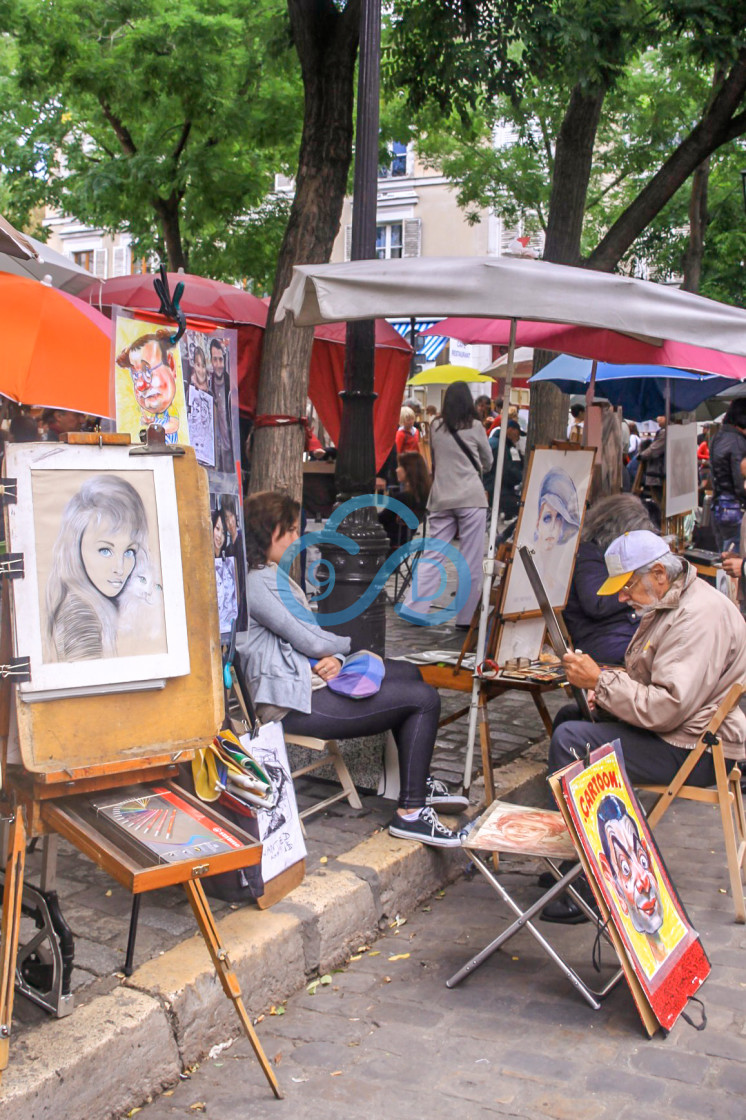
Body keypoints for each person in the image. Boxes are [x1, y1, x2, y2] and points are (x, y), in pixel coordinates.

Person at [241, 491, 468, 847]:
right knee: (423, 699)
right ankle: (410, 813)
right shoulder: (258, 582)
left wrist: (336, 658)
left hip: (303, 680)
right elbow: (311, 639)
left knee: (410, 674)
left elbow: (307, 638)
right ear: (269, 532)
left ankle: (414, 781)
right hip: (288, 702)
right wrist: (345, 650)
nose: (297, 539)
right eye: (290, 530)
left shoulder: (269, 572)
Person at [402, 381, 492, 629]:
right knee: (471, 560)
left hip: (441, 498)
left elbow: (436, 458)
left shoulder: (436, 426)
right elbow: (488, 460)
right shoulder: (476, 427)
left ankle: (415, 607)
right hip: (471, 499)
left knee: (433, 554)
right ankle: (465, 618)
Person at [45, 476, 151, 662]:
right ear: (75, 547)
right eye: (105, 550)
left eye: (129, 552)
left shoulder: (99, 604)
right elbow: (90, 687)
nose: (120, 568)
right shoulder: (80, 615)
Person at [563, 495, 654, 664]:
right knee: (653, 657)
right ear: (617, 532)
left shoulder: (610, 554)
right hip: (602, 638)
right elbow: (598, 602)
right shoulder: (588, 555)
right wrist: (637, 588)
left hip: (628, 631)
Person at [115, 329, 180, 444]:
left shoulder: (171, 409)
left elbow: (174, 425)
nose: (140, 385)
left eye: (147, 371)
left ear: (171, 365)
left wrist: (156, 429)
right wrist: (149, 421)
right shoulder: (152, 413)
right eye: (135, 376)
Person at [379, 450, 431, 553]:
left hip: (388, 543)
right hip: (404, 542)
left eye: (399, 466)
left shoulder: (403, 497)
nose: (396, 470)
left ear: (408, 470)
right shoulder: (423, 496)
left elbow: (382, 519)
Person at [710, 400, 746, 549]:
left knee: (724, 556)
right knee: (735, 554)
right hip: (735, 508)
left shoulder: (717, 436)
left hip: (719, 505)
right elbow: (740, 480)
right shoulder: (737, 441)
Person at [483, 418, 523, 519]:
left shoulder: (494, 442)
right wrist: (520, 477)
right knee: (522, 506)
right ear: (510, 430)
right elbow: (506, 472)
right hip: (495, 491)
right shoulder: (500, 446)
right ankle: (506, 534)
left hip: (489, 488)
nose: (517, 438)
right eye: (517, 434)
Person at [221, 495, 247, 631]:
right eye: (226, 518)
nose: (229, 522)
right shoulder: (230, 548)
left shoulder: (243, 542)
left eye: (231, 516)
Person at [209, 338, 234, 472]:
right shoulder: (207, 385)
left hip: (229, 450)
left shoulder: (231, 387)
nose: (218, 364)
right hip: (212, 453)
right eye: (215, 360)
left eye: (221, 360)